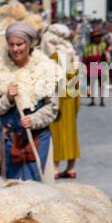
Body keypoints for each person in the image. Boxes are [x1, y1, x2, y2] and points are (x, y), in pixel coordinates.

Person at [0, 22, 59, 181]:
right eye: (11, 45)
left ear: (29, 44)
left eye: (20, 44)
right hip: (8, 139)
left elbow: (52, 107)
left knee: (34, 188)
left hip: (36, 138)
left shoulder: (46, 69)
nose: (15, 49)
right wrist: (7, 99)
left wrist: (33, 119)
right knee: (9, 189)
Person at [43, 23, 82, 178]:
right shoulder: (71, 52)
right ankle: (71, 167)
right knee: (71, 131)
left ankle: (55, 167)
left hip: (57, 95)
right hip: (71, 94)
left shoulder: (53, 54)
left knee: (56, 131)